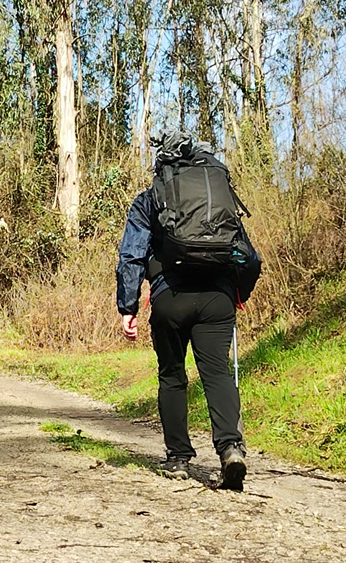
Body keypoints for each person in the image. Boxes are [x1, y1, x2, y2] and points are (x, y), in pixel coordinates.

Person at [116, 131, 252, 491]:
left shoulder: (151, 198)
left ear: (162, 164)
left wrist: (127, 307)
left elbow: (131, 256)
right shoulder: (218, 196)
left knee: (172, 376)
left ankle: (178, 458)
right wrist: (239, 293)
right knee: (218, 374)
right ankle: (230, 448)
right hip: (217, 299)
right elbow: (249, 257)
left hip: (169, 297)